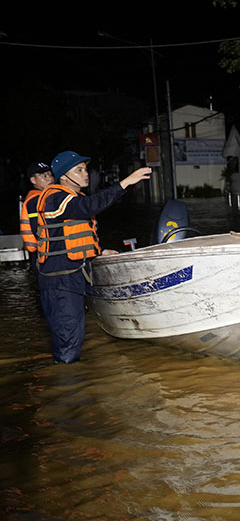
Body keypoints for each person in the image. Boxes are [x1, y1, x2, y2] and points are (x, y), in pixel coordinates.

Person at [36, 151, 152, 363]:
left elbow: (67, 234)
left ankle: (71, 383)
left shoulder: (71, 198)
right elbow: (88, 207)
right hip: (59, 280)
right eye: (78, 170)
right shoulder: (55, 198)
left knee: (74, 337)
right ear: (64, 176)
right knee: (67, 342)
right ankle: (67, 388)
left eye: (85, 169)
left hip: (72, 276)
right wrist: (125, 183)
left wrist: (98, 251)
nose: (85, 174)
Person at [19, 162, 55, 265]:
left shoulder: (45, 197)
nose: (49, 179)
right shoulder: (35, 201)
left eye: (50, 174)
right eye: (44, 176)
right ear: (33, 180)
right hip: (43, 254)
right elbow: (38, 229)